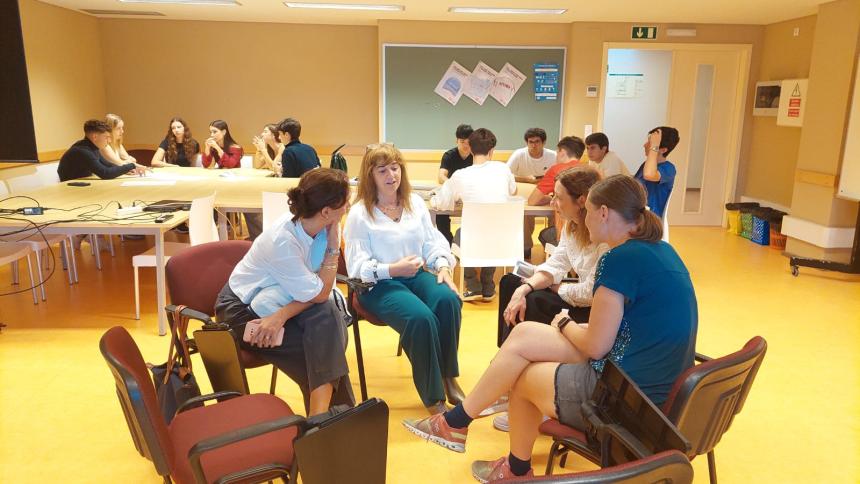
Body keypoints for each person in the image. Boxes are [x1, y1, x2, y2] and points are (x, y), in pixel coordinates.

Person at [403, 174, 698, 482]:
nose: (585, 219)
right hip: (651, 385)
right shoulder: (661, 250)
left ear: (603, 213)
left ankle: (513, 468)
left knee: (524, 378)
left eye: (589, 212)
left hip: (629, 398)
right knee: (523, 334)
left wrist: (565, 323)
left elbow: (596, 346)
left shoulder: (618, 259)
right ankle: (457, 423)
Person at [214, 168, 354, 416]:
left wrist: (282, 315)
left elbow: (321, 292)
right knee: (322, 350)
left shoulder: (326, 226)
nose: (349, 207)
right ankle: (330, 422)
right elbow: (320, 292)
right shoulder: (283, 241)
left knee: (326, 321)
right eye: (346, 202)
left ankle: (322, 421)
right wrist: (334, 249)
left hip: (283, 300)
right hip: (242, 311)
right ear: (326, 211)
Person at [345, 144, 463, 415]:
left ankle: (448, 377)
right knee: (421, 318)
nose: (391, 175)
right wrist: (393, 269)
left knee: (448, 300)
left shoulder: (415, 203)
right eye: (382, 170)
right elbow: (357, 268)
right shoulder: (360, 213)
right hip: (378, 284)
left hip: (415, 274)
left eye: (395, 168)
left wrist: (443, 266)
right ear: (370, 175)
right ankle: (434, 397)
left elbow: (432, 243)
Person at [431, 128, 516, 302]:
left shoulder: (460, 175)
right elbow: (513, 191)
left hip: (473, 239)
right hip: (503, 238)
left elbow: (441, 203)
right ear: (492, 150)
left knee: (461, 234)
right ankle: (488, 286)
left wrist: (434, 197)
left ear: (470, 149)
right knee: (492, 232)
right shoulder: (503, 169)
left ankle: (472, 285)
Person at [507, 128, 556, 260]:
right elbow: (506, 175)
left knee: (556, 213)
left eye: (537, 142)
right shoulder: (519, 154)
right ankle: (526, 247)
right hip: (526, 195)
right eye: (531, 142)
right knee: (525, 215)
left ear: (543, 142)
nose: (534, 145)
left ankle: (553, 247)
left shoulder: (553, 156)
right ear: (527, 142)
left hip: (548, 194)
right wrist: (526, 179)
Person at [57, 119, 146, 181]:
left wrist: (126, 170)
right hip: (70, 188)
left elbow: (108, 165)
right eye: (106, 137)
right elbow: (105, 173)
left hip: (82, 185)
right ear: (95, 137)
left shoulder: (92, 147)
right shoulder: (82, 151)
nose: (109, 141)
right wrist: (131, 166)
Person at [245, 124, 285, 240]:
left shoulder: (282, 147)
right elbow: (257, 165)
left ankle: (261, 235)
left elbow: (274, 167)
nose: (262, 134)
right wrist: (259, 150)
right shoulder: (269, 149)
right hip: (272, 184)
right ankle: (259, 235)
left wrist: (263, 150)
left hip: (281, 187)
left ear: (273, 135)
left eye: (265, 131)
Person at [436, 124, 474, 244]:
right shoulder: (449, 155)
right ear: (456, 140)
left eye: (468, 142)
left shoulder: (476, 156)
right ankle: (447, 241)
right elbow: (441, 176)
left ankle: (466, 241)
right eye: (462, 142)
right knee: (440, 213)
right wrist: (453, 186)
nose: (466, 145)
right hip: (452, 193)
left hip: (470, 194)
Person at [634, 127, 680, 219]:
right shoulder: (645, 165)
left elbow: (648, 175)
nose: (644, 145)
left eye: (650, 143)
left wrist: (654, 146)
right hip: (636, 213)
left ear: (663, 150)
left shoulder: (669, 168)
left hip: (650, 219)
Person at [528, 136, 586, 207]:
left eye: (557, 152)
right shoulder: (591, 170)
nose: (556, 156)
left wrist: (551, 198)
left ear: (562, 152)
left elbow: (532, 201)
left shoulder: (556, 170)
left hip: (564, 213)